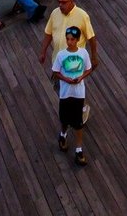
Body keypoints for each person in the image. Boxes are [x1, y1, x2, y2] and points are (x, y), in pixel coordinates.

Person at [51, 25, 93, 168]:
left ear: (77, 40)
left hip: (78, 93)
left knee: (78, 122)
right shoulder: (61, 55)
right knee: (64, 119)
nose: (69, 42)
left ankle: (79, 149)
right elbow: (55, 71)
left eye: (72, 39)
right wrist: (66, 79)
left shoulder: (83, 53)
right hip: (65, 93)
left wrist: (81, 77)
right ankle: (63, 135)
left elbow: (88, 68)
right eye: (68, 39)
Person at [40, 0, 99, 70]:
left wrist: (94, 57)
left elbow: (91, 38)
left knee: (73, 81)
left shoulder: (82, 16)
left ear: (71, 2)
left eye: (64, 3)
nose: (60, 5)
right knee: (58, 81)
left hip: (75, 63)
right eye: (59, 2)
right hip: (57, 62)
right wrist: (43, 52)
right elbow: (48, 33)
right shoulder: (55, 13)